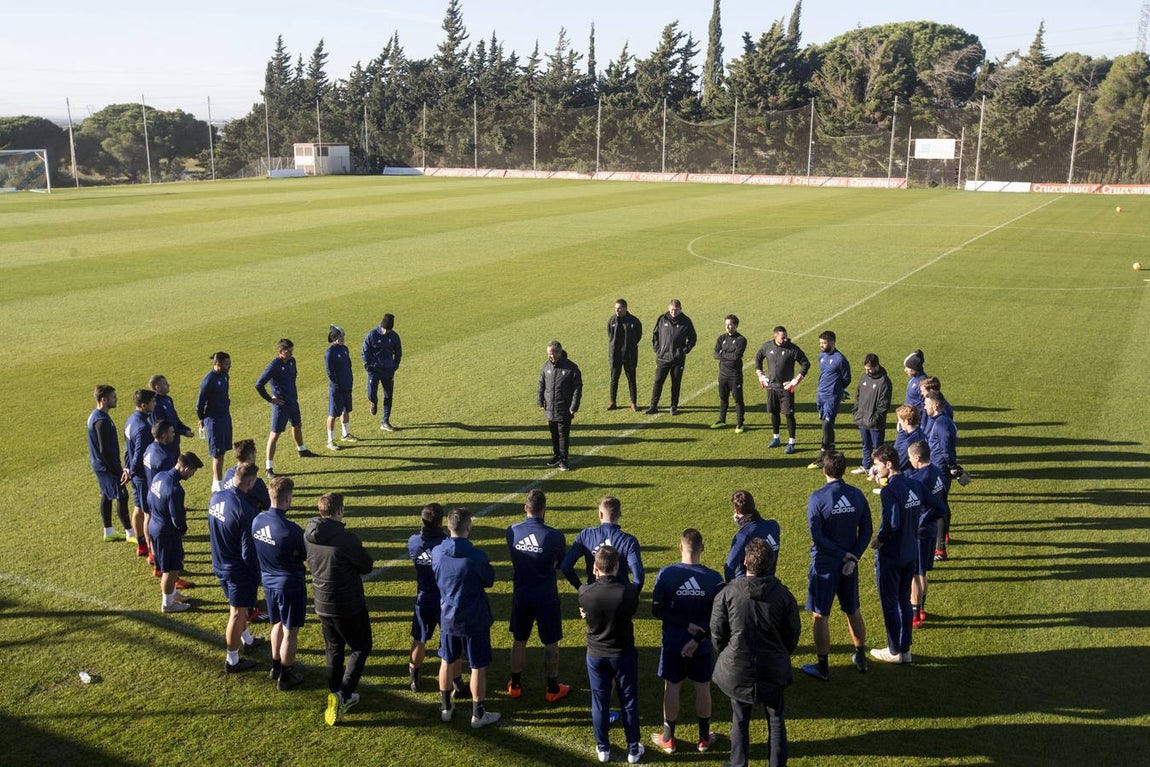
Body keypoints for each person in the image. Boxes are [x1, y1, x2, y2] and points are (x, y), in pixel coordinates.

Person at [711, 538, 801, 767]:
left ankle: (738, 764)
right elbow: (792, 633)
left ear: (745, 562)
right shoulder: (782, 595)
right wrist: (781, 654)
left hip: (739, 668)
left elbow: (717, 633)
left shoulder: (729, 593)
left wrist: (728, 654)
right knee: (775, 718)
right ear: (770, 564)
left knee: (740, 718)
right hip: (771, 667)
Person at [649, 529, 725, 755]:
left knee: (672, 686)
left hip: (673, 643)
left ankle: (668, 739)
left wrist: (684, 624)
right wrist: (697, 637)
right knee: (703, 686)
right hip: (701, 645)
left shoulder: (666, 574)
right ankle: (704, 739)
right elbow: (720, 617)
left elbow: (657, 610)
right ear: (702, 548)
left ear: (680, 547)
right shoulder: (714, 579)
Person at [800, 450, 873, 681]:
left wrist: (842, 555)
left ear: (824, 470)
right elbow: (867, 530)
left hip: (825, 565)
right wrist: (853, 556)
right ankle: (861, 657)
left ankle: (823, 667)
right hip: (849, 565)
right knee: (852, 609)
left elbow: (817, 536)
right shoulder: (857, 495)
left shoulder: (818, 498)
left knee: (820, 614)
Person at [304, 492, 375, 726]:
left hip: (322, 603)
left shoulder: (308, 534)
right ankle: (343, 694)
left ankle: (334, 691)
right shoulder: (346, 539)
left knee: (333, 648)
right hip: (347, 604)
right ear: (339, 511)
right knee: (361, 646)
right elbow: (366, 565)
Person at [432, 507, 501, 728]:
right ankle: (478, 714)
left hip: (448, 616)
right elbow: (489, 579)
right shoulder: (476, 556)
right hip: (473, 618)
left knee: (446, 660)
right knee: (477, 666)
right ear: (468, 526)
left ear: (448, 526)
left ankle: (445, 707)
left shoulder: (437, 552)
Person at [579, 545, 643, 764]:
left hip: (596, 654)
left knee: (600, 702)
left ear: (595, 568)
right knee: (629, 701)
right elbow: (631, 609)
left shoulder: (585, 593)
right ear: (617, 566)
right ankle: (633, 749)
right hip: (623, 653)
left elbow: (587, 611)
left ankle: (603, 747)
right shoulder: (629, 592)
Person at [505, 489, 570, 703]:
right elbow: (560, 563)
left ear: (525, 508)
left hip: (522, 593)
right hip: (546, 596)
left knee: (519, 639)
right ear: (544, 509)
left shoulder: (512, 531)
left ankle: (515, 685)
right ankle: (552, 688)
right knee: (551, 643)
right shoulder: (554, 536)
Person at [868, 444, 925, 664]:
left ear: (889, 464)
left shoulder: (889, 491)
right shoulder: (914, 484)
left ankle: (893, 651)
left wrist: (879, 540)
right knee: (904, 599)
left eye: (877, 465)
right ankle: (905, 650)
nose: (875, 469)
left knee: (890, 603)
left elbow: (891, 523)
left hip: (891, 555)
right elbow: (937, 506)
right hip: (910, 551)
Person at [207, 462, 264, 674]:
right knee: (238, 612)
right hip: (236, 570)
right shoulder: (245, 510)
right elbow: (248, 551)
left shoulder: (216, 497)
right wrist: (256, 574)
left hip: (219, 562)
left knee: (238, 608)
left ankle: (247, 640)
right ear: (249, 482)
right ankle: (232, 660)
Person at [253, 475, 308, 690]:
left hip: (268, 582)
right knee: (290, 631)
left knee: (276, 623)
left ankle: (275, 667)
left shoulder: (257, 520)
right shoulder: (291, 530)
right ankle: (286, 676)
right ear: (287, 499)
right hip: (289, 585)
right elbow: (304, 554)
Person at [407, 503, 464, 696]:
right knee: (452, 642)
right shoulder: (447, 544)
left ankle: (414, 678)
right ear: (441, 522)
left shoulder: (413, 542)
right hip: (444, 598)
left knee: (419, 639)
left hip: (423, 596)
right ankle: (457, 682)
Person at [148, 452, 203, 613]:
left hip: (154, 525)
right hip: (167, 533)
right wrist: (182, 530)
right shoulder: (175, 488)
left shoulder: (159, 476)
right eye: (193, 471)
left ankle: (172, 594)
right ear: (185, 468)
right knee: (170, 569)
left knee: (169, 566)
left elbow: (149, 499)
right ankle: (168, 604)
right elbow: (176, 518)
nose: (192, 475)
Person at [906, 441, 949, 625]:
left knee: (915, 574)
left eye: (909, 457)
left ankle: (915, 615)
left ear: (917, 457)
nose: (909, 460)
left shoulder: (919, 479)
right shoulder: (937, 471)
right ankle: (921, 609)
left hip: (920, 531)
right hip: (932, 529)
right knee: (922, 572)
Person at [256, 339, 313, 477]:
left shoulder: (292, 361)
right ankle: (269, 468)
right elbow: (259, 384)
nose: (292, 353)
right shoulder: (274, 365)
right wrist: (270, 399)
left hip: (293, 402)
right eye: (289, 351)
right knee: (275, 435)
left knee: (297, 425)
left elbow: (294, 376)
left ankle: (302, 450)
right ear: (280, 351)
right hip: (281, 406)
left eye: (292, 350)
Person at [562, 495, 645, 590]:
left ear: (600, 514)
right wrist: (631, 595)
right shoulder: (629, 541)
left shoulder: (586, 535)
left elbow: (566, 566)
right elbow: (638, 578)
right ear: (619, 514)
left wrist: (581, 588)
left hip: (593, 594)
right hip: (620, 595)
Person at [753, 326, 810, 454]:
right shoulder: (767, 346)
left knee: (789, 414)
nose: (785, 340)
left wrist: (796, 380)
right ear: (775, 336)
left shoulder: (792, 349)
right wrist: (760, 375)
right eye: (782, 337)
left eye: (786, 337)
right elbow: (758, 358)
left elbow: (805, 363)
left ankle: (792, 442)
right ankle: (776, 438)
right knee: (774, 413)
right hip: (772, 387)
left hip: (786, 389)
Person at [87, 385, 133, 543]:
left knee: (107, 495)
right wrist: (118, 470)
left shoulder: (96, 416)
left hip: (100, 465)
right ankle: (131, 533)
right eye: (113, 397)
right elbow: (104, 449)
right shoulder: (101, 421)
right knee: (122, 495)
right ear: (104, 399)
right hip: (107, 467)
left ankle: (109, 531)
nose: (116, 399)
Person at [537, 340, 583, 472]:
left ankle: (563, 459)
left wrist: (574, 406)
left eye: (551, 353)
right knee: (554, 434)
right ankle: (556, 455)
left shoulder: (571, 368)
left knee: (563, 435)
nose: (549, 356)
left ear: (559, 352)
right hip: (550, 408)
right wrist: (540, 400)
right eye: (548, 353)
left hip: (564, 408)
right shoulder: (546, 366)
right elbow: (541, 384)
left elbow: (577, 388)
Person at [809, 330, 852, 469]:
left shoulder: (840, 359)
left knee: (826, 425)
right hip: (821, 394)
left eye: (824, 343)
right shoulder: (821, 356)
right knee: (826, 423)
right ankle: (831, 449)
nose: (821, 345)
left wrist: (838, 390)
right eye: (820, 343)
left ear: (832, 343)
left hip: (832, 397)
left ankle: (823, 456)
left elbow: (847, 379)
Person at [646, 299, 696, 416]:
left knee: (676, 383)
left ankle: (673, 406)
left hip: (678, 359)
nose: (674, 312)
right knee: (658, 381)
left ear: (680, 309)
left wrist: (685, 350)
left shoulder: (686, 321)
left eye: (676, 310)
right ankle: (653, 406)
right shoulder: (662, 319)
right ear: (669, 308)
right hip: (662, 357)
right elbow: (655, 335)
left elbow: (693, 338)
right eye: (672, 309)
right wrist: (657, 349)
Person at [123, 389, 157, 555]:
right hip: (143, 476)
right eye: (152, 402)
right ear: (144, 405)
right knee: (148, 514)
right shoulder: (143, 428)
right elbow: (138, 455)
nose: (155, 404)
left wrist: (127, 468)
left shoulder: (130, 420)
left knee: (138, 508)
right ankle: (151, 551)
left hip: (136, 475)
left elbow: (127, 449)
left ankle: (141, 545)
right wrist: (132, 471)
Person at [850, 354, 892, 476]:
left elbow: (883, 404)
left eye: (869, 369)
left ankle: (879, 470)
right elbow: (858, 395)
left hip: (875, 423)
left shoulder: (884, 382)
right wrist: (856, 411)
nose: (867, 371)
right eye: (866, 368)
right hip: (862, 419)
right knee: (865, 445)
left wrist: (875, 419)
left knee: (878, 448)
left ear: (877, 366)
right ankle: (866, 466)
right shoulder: (864, 377)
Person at [196, 352, 232, 491]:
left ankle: (218, 482)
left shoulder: (225, 376)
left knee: (223, 451)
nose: (230, 366)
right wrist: (201, 418)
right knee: (217, 454)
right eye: (227, 363)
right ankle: (217, 485)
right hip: (214, 420)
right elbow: (199, 404)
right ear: (218, 364)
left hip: (225, 417)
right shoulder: (208, 381)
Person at [725, 490, 781, 581]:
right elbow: (757, 529)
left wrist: (731, 586)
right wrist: (742, 523)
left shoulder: (742, 536)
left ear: (737, 511)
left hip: (747, 585)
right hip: (769, 582)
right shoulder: (774, 526)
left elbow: (730, 567)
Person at [362, 313, 402, 431]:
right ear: (381, 326)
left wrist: (394, 366)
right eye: (385, 329)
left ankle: (385, 421)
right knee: (371, 394)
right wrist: (368, 367)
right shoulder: (372, 335)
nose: (386, 332)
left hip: (388, 371)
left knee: (388, 396)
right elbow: (365, 352)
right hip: (374, 371)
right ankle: (374, 403)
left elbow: (398, 353)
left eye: (388, 330)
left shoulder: (394, 336)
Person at [324, 325, 359, 451]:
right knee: (333, 414)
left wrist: (349, 381)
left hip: (347, 386)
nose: (343, 338)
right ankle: (330, 441)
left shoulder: (344, 349)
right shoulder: (330, 352)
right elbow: (329, 372)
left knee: (346, 410)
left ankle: (345, 434)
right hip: (337, 388)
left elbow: (349, 365)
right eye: (340, 336)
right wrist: (338, 384)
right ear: (334, 338)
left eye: (343, 336)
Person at [712, 314, 747, 432]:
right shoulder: (721, 338)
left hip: (734, 376)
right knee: (723, 398)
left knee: (738, 400)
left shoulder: (741, 340)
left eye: (730, 325)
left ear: (736, 325)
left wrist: (722, 353)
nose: (728, 327)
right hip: (722, 375)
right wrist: (728, 354)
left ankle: (740, 423)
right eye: (726, 324)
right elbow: (715, 354)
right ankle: (722, 420)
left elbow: (736, 357)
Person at [607, 298, 643, 411]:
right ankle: (612, 402)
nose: (617, 310)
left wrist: (629, 347)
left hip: (629, 356)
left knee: (631, 380)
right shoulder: (612, 321)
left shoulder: (634, 321)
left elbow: (638, 336)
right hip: (615, 355)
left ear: (625, 308)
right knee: (614, 379)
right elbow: (610, 335)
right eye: (615, 308)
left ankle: (633, 402)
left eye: (619, 308)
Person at [149, 374, 195, 453]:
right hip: (166, 442)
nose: (168, 385)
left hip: (174, 440)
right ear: (157, 387)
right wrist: (183, 432)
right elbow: (162, 427)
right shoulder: (155, 404)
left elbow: (175, 418)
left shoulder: (168, 399)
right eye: (165, 384)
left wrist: (185, 429)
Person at [224, 439, 272, 512]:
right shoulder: (255, 482)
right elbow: (268, 505)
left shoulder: (228, 473)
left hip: (229, 511)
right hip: (249, 516)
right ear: (250, 455)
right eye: (255, 453)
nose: (256, 455)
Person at [892, 404, 925, 472]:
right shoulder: (919, 432)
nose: (899, 423)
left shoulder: (910, 442)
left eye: (900, 421)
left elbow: (898, 464)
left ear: (906, 421)